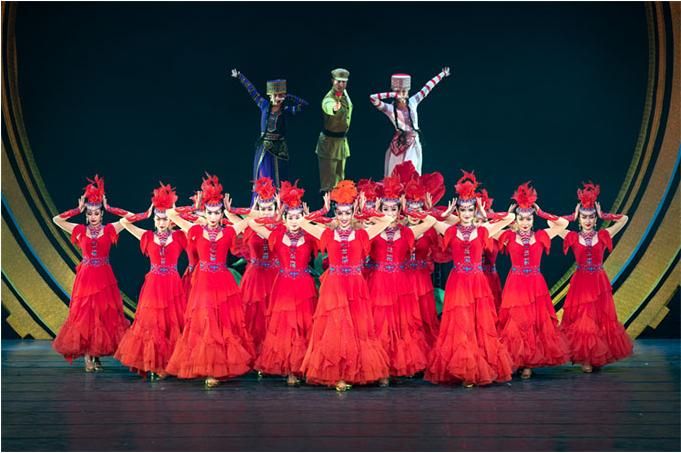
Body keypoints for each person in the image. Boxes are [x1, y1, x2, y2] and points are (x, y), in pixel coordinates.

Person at [299, 180, 394, 391]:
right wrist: (322, 211)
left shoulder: (362, 234)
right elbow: (302, 222)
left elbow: (388, 220)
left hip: (355, 286)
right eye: (340, 213)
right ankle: (338, 374)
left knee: (358, 327)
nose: (343, 218)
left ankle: (359, 371)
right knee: (336, 327)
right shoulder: (327, 234)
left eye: (347, 213)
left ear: (352, 214)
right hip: (334, 286)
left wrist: (365, 210)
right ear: (336, 214)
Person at [425, 171, 515, 387]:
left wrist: (485, 213)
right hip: (458, 282)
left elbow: (511, 218)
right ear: (458, 211)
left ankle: (477, 366)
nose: (466, 213)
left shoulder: (483, 230)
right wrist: (443, 214)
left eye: (469, 209)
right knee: (460, 322)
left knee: (478, 323)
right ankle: (463, 367)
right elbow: (427, 219)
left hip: (476, 281)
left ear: (474, 210)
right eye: (463, 209)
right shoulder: (449, 230)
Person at [165, 174, 254, 387]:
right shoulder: (195, 230)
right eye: (210, 212)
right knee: (206, 322)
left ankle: (220, 367)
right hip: (203, 282)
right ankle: (208, 368)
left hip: (222, 282)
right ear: (205, 213)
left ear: (220, 214)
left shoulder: (229, 231)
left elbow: (253, 218)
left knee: (223, 323)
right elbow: (169, 213)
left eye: (216, 213)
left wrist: (232, 210)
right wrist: (194, 207)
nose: (213, 217)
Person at [52, 176, 131, 372]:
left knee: (102, 315)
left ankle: (96, 355)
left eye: (97, 213)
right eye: (90, 213)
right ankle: (88, 357)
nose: (93, 216)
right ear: (86, 215)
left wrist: (110, 207)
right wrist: (76, 210)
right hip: (86, 277)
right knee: (86, 315)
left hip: (104, 276)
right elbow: (56, 220)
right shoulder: (79, 230)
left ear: (101, 214)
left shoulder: (110, 229)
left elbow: (131, 217)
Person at [496, 182, 571, 379]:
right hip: (516, 284)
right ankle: (516, 360)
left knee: (534, 321)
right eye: (521, 218)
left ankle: (528, 362)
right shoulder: (508, 236)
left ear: (532, 219)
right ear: (517, 219)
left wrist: (542, 213)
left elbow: (563, 224)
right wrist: (507, 217)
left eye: (528, 218)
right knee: (516, 322)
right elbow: (487, 231)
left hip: (535, 284)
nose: (525, 222)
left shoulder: (541, 235)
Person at [248, 181, 318, 385]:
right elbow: (253, 224)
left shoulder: (310, 236)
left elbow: (330, 227)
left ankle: (305, 366)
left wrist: (309, 219)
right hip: (284, 285)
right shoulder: (276, 236)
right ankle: (290, 369)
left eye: (298, 217)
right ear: (285, 218)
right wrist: (275, 215)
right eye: (291, 217)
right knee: (287, 326)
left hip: (304, 286)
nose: (295, 221)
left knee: (304, 324)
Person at [114, 183, 187, 380]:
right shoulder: (146, 236)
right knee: (153, 324)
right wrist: (144, 214)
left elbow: (197, 224)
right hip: (154, 285)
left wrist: (175, 214)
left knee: (173, 323)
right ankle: (155, 364)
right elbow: (125, 222)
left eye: (165, 218)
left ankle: (172, 363)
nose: (162, 222)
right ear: (154, 219)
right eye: (158, 218)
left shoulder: (180, 236)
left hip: (172, 284)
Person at [558, 182, 632, 372]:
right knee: (584, 319)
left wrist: (604, 215)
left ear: (595, 218)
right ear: (579, 219)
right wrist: (572, 216)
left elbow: (624, 219)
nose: (588, 220)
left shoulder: (604, 235)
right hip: (581, 283)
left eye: (591, 216)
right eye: (584, 217)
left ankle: (597, 355)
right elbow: (553, 224)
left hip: (599, 282)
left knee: (600, 318)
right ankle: (586, 358)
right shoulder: (572, 236)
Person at [231, 69, 308, 188]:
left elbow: (304, 105)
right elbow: (252, 90)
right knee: (263, 176)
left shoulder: (285, 110)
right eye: (275, 95)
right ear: (270, 96)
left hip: (278, 148)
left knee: (279, 177)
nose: (277, 98)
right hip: (264, 146)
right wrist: (240, 76)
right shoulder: (264, 105)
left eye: (280, 95)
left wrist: (289, 96)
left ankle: (278, 199)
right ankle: (263, 199)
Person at [369, 67, 450, 176]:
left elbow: (427, 88)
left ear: (408, 92)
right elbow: (373, 98)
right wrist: (392, 94)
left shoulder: (413, 102)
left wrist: (442, 74)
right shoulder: (390, 109)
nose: (401, 94)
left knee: (411, 170)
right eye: (398, 92)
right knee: (395, 172)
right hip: (398, 144)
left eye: (404, 91)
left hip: (413, 143)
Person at [315, 68, 353, 192]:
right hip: (329, 143)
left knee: (340, 179)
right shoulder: (329, 97)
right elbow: (327, 104)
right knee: (328, 182)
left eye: (344, 82)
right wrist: (334, 108)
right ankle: (327, 202)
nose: (341, 85)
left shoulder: (345, 95)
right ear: (332, 81)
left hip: (341, 142)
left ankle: (339, 202)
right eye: (338, 82)